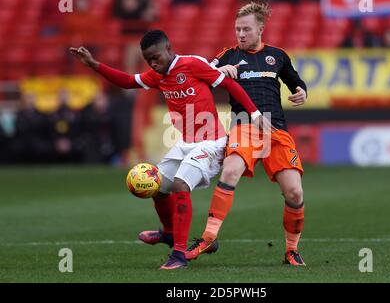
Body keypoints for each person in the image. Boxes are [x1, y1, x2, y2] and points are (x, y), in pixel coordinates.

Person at [69, 30, 266, 269]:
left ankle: (179, 255)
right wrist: (94, 65)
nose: (153, 63)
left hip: (211, 143)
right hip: (184, 143)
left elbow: (230, 85)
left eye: (156, 57)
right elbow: (128, 81)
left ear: (169, 49)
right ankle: (170, 233)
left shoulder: (193, 64)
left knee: (181, 185)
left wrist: (254, 113)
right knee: (158, 187)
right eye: (148, 59)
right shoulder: (157, 75)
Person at [185, 2, 308, 266]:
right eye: (238, 29)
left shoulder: (278, 56)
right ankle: (208, 237)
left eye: (246, 29)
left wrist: (301, 91)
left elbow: (295, 80)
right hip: (244, 125)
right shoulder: (227, 55)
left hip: (276, 130)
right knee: (230, 171)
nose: (241, 34)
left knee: (295, 194)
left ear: (261, 29)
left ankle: (291, 250)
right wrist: (218, 71)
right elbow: (199, 75)